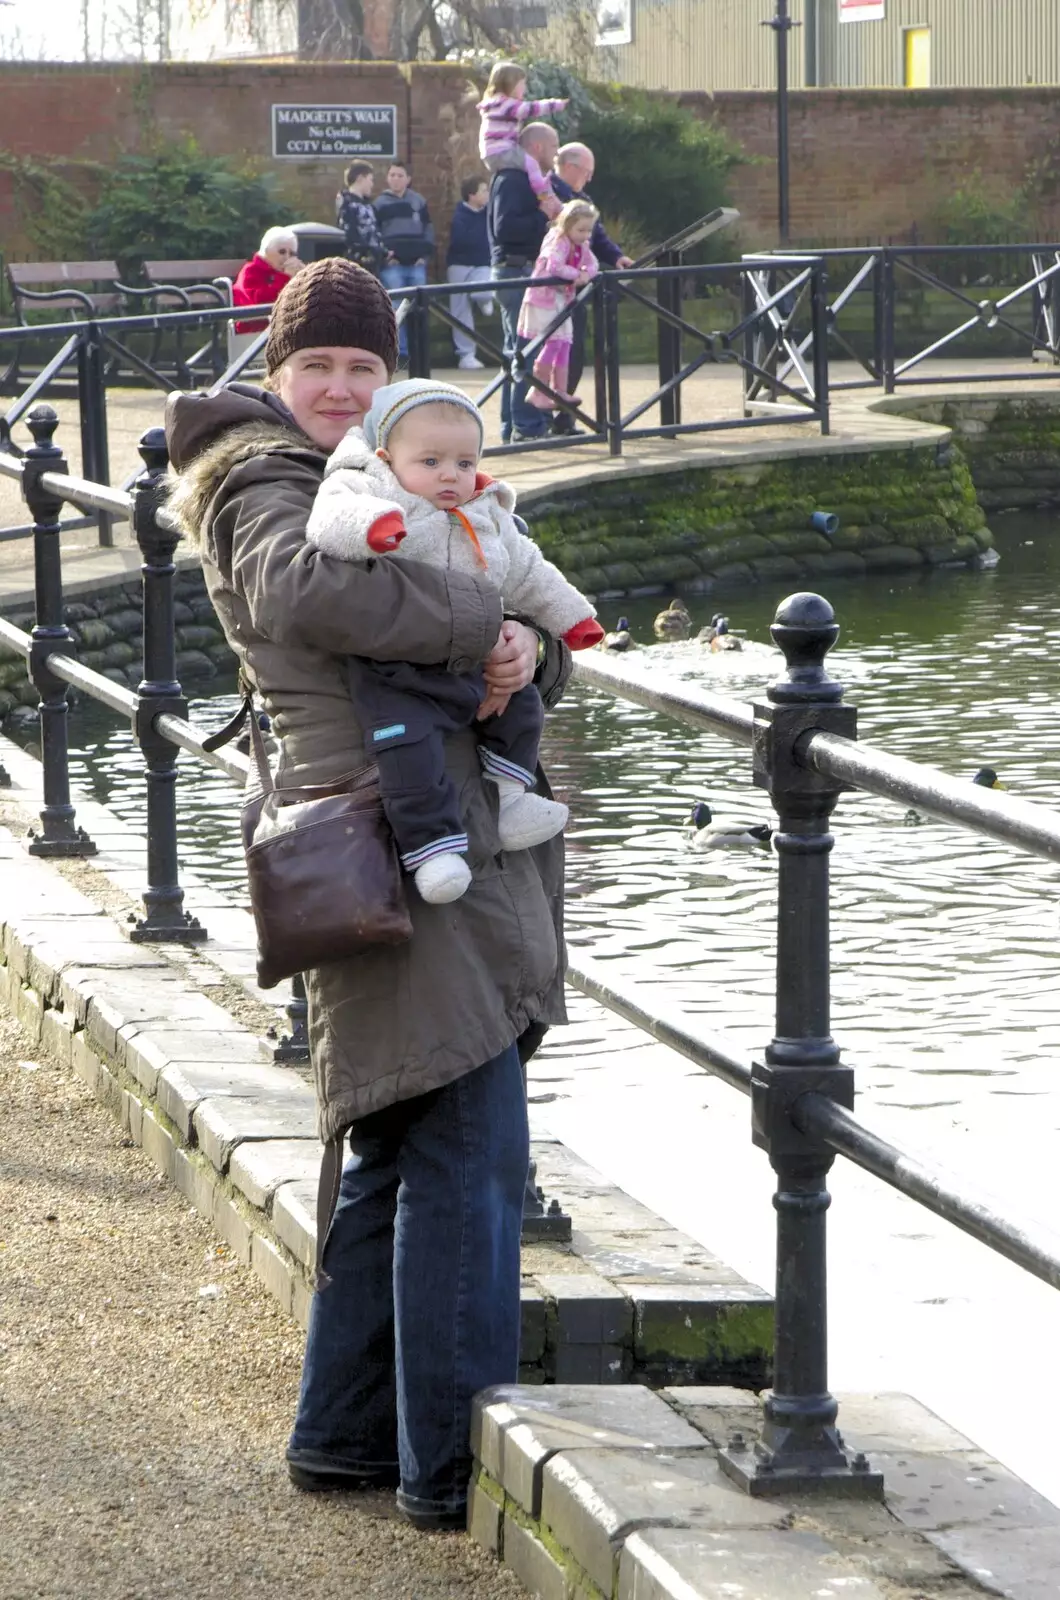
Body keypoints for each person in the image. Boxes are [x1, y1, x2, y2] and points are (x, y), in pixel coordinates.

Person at [163, 257, 571, 1532]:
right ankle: (445, 1468)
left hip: (417, 824)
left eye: (362, 368)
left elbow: (506, 581)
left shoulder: (378, 474)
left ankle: (344, 1437)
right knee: (466, 1142)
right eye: (315, 367)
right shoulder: (261, 479)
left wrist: (526, 637)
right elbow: (305, 589)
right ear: (272, 374)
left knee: (402, 1137)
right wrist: (479, 622)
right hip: (384, 828)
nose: (339, 389)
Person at [305, 377, 603, 902]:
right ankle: (434, 849)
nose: (451, 475)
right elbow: (330, 520)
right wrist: (375, 527)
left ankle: (511, 799)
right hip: (398, 671)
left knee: (522, 709)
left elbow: (529, 570)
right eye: (431, 462)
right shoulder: (370, 488)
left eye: (465, 464)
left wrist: (568, 621)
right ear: (387, 458)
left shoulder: (486, 512)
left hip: (474, 668)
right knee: (407, 751)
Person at [550, 142, 634, 436]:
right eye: (587, 172)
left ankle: (564, 418)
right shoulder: (548, 192)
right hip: (551, 290)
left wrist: (616, 257)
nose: (589, 178)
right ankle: (539, 422)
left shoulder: (580, 197)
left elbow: (596, 236)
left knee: (574, 353)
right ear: (571, 167)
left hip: (574, 290)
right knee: (547, 355)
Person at [487, 121, 559, 443]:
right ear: (538, 147)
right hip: (516, 272)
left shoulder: (518, 178)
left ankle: (512, 426)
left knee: (516, 353)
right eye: (554, 147)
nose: (555, 155)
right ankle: (525, 428)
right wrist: (544, 215)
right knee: (525, 353)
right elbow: (507, 229)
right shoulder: (513, 179)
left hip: (517, 272)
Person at [517, 199, 599, 411]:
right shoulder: (558, 241)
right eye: (581, 230)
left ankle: (559, 390)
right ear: (567, 225)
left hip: (562, 299)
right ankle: (538, 391)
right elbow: (554, 266)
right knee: (552, 342)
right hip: (544, 298)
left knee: (565, 343)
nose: (585, 235)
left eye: (589, 231)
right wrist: (576, 275)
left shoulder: (581, 245)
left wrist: (585, 274)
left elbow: (593, 264)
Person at [476, 61, 567, 219]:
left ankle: (548, 197)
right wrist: (554, 104)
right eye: (522, 84)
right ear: (510, 84)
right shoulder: (507, 104)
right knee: (532, 165)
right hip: (501, 150)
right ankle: (546, 197)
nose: (524, 88)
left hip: (491, 153)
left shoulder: (492, 103)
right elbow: (531, 109)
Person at [375, 161, 435, 362]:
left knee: (419, 307)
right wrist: (385, 256)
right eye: (392, 175)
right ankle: (401, 353)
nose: (395, 179)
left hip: (416, 263)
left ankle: (420, 353)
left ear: (408, 179)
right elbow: (375, 233)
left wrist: (424, 256)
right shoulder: (380, 203)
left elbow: (428, 230)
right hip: (393, 266)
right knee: (396, 308)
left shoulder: (419, 201)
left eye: (400, 175)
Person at [445, 175, 494, 371]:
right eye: (483, 190)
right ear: (472, 195)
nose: (487, 194)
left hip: (483, 264)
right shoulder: (460, 216)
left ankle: (484, 299)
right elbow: (461, 241)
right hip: (459, 265)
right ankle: (466, 355)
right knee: (460, 310)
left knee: (484, 291)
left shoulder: (488, 213)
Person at [231, 227, 305, 333]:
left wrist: (304, 277)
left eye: (292, 254)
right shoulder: (251, 271)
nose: (287, 257)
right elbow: (261, 303)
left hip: (282, 329)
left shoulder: (288, 273)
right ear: (266, 250)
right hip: (254, 333)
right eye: (282, 252)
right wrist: (284, 278)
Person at [335, 160, 387, 275]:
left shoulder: (367, 205)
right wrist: (368, 253)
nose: (372, 184)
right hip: (357, 267)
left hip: (373, 266)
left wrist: (382, 251)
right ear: (360, 178)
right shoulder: (346, 204)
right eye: (370, 179)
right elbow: (350, 235)